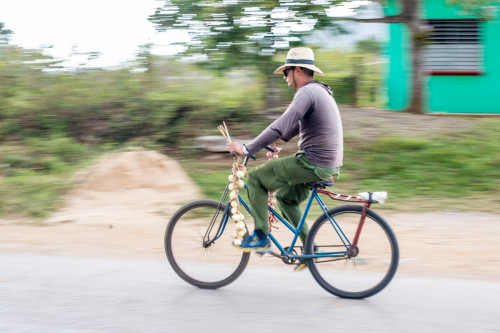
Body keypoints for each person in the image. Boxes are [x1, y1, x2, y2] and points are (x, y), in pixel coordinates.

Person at [227, 47, 344, 262]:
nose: (284, 78)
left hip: (313, 162)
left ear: (297, 70)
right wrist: (269, 142)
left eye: (285, 73)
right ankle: (311, 249)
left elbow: (281, 124)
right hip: (328, 163)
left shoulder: (307, 92)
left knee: (255, 179)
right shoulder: (319, 91)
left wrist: (247, 148)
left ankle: (261, 235)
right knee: (285, 197)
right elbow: (291, 130)